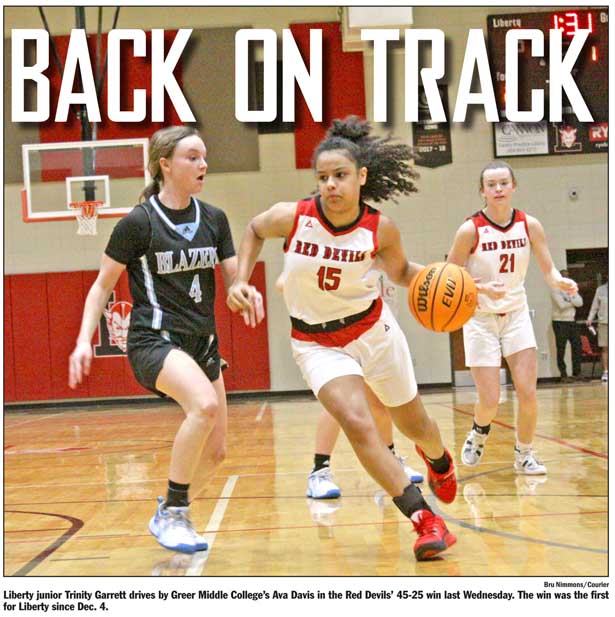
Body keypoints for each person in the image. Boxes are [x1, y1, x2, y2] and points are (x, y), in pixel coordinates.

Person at [228, 116, 457, 561]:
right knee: (356, 421)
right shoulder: (293, 217)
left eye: (340, 175)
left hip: (373, 332)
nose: (330, 184)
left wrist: (449, 280)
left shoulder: (380, 228)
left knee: (415, 425)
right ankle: (424, 519)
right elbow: (254, 229)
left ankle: (439, 459)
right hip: (317, 344)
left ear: (361, 176)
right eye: (323, 177)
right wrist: (240, 279)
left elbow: (401, 272)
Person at [68, 126, 263, 554]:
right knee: (204, 406)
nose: (203, 164)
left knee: (216, 453)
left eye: (204, 157)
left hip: (202, 343)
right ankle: (175, 513)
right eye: (193, 157)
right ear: (165, 165)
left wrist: (244, 291)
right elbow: (102, 286)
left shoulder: (214, 219)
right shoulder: (139, 223)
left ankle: (169, 512)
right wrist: (83, 340)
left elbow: (234, 281)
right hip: (153, 340)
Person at [447, 160, 578, 476]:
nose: (498, 189)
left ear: (514, 186)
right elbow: (450, 274)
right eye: (491, 185)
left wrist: (559, 281)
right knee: (490, 400)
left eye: (503, 183)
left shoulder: (529, 225)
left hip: (516, 314)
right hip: (480, 318)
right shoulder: (469, 229)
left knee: (528, 391)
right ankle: (479, 430)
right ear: (482, 191)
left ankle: (525, 454)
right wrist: (480, 287)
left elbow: (548, 269)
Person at [551, 269, 585, 382]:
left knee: (577, 346)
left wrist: (568, 300)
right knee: (561, 348)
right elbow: (561, 305)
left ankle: (577, 373)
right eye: (564, 277)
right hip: (559, 322)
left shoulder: (572, 288)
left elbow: (580, 303)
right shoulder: (555, 288)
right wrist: (572, 300)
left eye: (568, 277)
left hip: (571, 321)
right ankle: (563, 375)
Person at [587, 281, 608, 382]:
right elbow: (594, 307)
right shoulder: (600, 290)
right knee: (605, 348)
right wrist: (590, 319)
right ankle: (606, 372)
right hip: (604, 322)